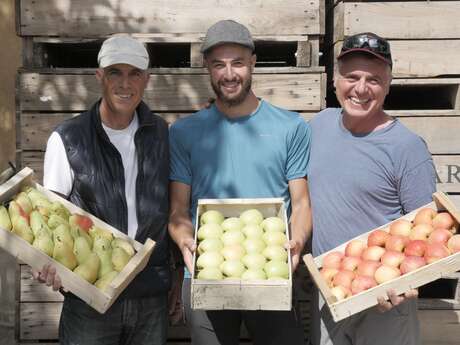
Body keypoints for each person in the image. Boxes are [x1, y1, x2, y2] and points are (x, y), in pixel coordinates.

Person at [168, 19, 311, 345]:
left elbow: (301, 202)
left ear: (253, 64)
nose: (229, 74)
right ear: (207, 67)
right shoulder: (184, 133)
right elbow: (178, 210)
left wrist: (298, 241)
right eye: (219, 64)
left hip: (271, 270)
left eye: (238, 63)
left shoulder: (290, 127)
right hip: (206, 272)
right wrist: (185, 242)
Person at [33, 35, 171, 345]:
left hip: (150, 296)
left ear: (147, 80)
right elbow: (50, 216)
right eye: (115, 72)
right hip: (90, 295)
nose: (125, 83)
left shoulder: (161, 133)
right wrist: (48, 263)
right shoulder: (68, 138)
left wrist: (172, 277)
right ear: (100, 76)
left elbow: (168, 211)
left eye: (134, 73)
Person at [308, 32, 437, 345]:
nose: (361, 89)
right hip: (330, 293)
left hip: (386, 302)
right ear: (335, 81)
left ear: (388, 84)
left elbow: (428, 230)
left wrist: (403, 284)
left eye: (374, 79)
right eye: (352, 77)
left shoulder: (407, 148)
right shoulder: (319, 125)